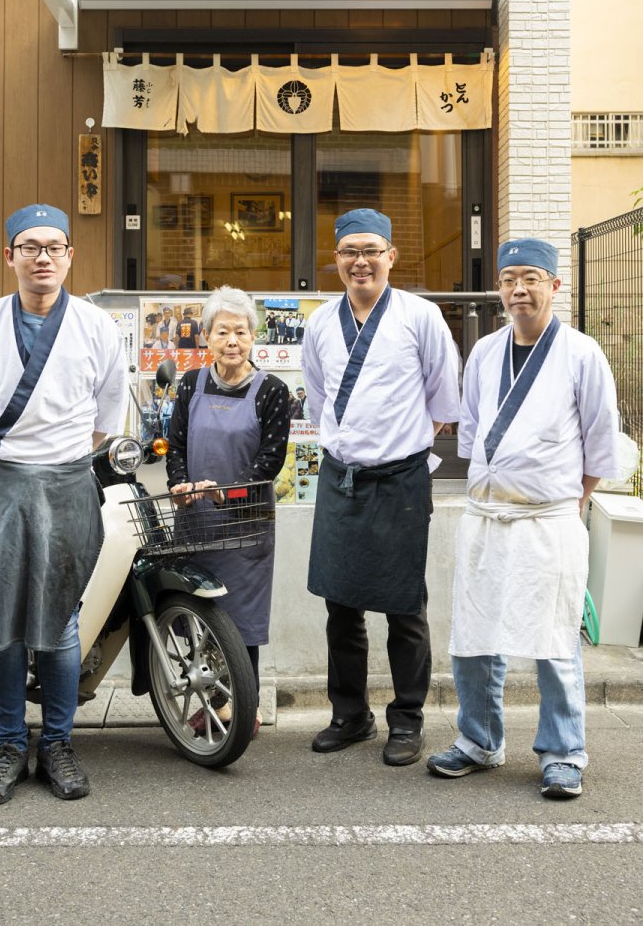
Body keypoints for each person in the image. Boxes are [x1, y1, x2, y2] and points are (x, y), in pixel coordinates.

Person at [0, 204, 128, 805]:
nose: (42, 256)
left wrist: (60, 460)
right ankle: (6, 743)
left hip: (69, 481)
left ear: (70, 255)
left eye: (53, 246)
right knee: (2, 618)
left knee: (61, 618)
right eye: (30, 246)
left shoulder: (97, 327)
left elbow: (106, 414)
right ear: (10, 256)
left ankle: (58, 742)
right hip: (1, 481)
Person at [427, 238, 619, 799]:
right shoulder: (486, 351)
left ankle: (563, 752)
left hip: (550, 517)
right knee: (474, 634)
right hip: (486, 516)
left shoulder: (582, 353)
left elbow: (600, 446)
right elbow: (473, 431)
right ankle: (479, 740)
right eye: (510, 279)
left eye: (531, 278)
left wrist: (571, 503)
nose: (518, 289)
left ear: (554, 286)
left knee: (555, 638)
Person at [301, 208, 461, 766]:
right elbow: (319, 399)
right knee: (340, 606)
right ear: (337, 260)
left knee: (404, 606)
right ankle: (350, 715)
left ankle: (407, 719)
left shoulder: (421, 317)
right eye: (349, 252)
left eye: (371, 250)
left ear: (392, 255)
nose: (360, 261)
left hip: (400, 480)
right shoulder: (321, 322)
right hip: (340, 477)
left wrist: (398, 446)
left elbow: (444, 402)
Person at [166, 286, 291, 736]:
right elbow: (175, 444)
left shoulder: (271, 391)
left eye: (241, 331)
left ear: (253, 336)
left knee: (241, 620)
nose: (232, 340)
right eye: (223, 331)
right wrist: (178, 484)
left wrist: (230, 493)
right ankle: (216, 701)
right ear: (207, 336)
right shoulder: (191, 383)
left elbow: (269, 462)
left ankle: (245, 707)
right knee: (199, 618)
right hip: (195, 518)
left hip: (246, 526)